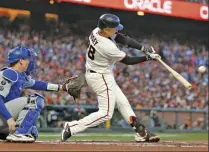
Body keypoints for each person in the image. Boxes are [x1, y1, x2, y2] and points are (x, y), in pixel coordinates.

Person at [61, 13, 160, 142]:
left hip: (100, 73)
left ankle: (141, 132)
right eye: (114, 28)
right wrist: (147, 57)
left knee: (123, 103)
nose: (117, 30)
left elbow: (121, 38)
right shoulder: (107, 47)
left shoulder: (97, 31)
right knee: (106, 113)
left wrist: (142, 48)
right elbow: (128, 61)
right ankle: (72, 127)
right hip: (100, 77)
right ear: (106, 29)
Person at [0, 46, 70, 142]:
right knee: (36, 100)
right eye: (28, 59)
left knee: (32, 132)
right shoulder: (9, 73)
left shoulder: (19, 75)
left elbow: (39, 84)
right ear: (21, 61)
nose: (31, 62)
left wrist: (62, 87)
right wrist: (9, 119)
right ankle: (18, 134)